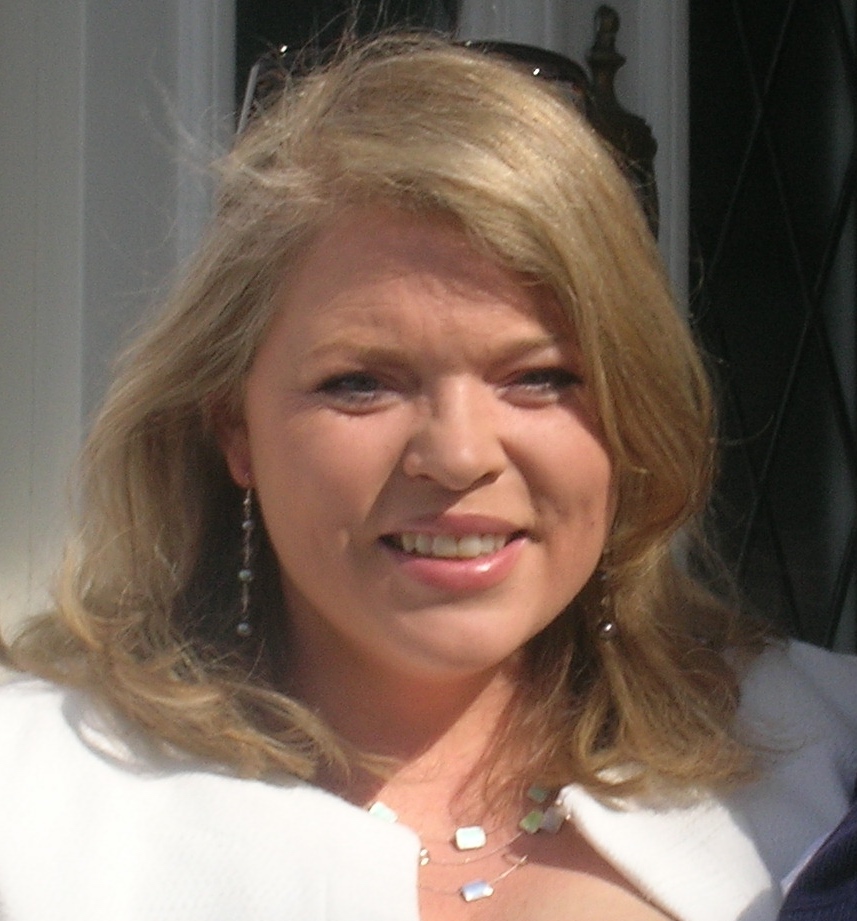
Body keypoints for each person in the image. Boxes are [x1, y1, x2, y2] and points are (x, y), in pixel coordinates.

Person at [1, 33, 855, 921]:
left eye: (539, 377)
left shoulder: (821, 752)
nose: (457, 454)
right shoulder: (31, 799)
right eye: (360, 383)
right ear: (234, 428)